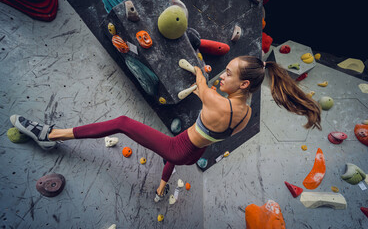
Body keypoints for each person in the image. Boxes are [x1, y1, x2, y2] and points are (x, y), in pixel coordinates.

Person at [10, 56, 321, 202]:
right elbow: (214, 102)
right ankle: (161, 188)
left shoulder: (216, 102)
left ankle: (50, 135)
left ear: (242, 83)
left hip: (180, 148)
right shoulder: (246, 112)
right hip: (193, 149)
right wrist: (210, 82)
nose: (222, 76)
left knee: (122, 123)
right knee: (175, 151)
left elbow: (201, 83)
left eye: (227, 73)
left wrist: (200, 70)